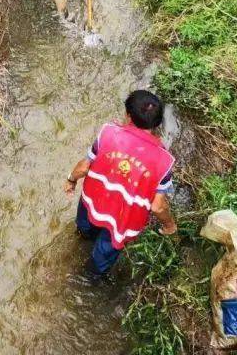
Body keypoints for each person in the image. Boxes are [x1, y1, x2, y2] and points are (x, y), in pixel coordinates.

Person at [65, 90, 178, 277]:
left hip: (93, 203)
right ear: (158, 123)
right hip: (122, 220)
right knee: (102, 256)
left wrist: (71, 180)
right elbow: (158, 206)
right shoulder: (163, 160)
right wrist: (170, 225)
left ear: (128, 115)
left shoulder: (108, 133)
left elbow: (84, 167)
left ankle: (83, 238)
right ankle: (90, 276)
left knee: (85, 229)